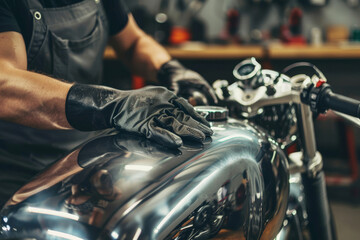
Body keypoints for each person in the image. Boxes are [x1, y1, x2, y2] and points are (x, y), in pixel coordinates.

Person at [0, 0, 216, 207]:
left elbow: (132, 42)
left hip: (81, 158)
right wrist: (110, 104)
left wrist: (169, 68)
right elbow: (5, 85)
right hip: (16, 170)